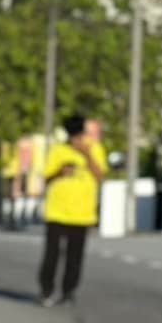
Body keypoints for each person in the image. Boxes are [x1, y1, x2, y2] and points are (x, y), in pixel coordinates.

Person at [38, 114, 105, 307]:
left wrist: (87, 154)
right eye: (74, 136)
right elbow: (46, 178)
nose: (77, 140)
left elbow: (100, 176)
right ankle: (46, 290)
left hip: (82, 214)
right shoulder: (58, 151)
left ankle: (68, 292)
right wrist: (60, 172)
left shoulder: (94, 148)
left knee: (75, 257)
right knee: (51, 254)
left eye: (80, 135)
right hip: (57, 212)